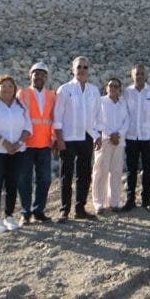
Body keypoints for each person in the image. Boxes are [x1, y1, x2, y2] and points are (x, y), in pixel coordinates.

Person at [0, 74, 32, 233]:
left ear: (15, 89)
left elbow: (28, 128)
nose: (7, 89)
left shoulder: (20, 106)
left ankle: (9, 216)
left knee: (12, 184)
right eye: (4, 86)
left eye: (10, 86)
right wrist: (5, 143)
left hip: (17, 150)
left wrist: (18, 144)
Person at [53, 56, 101, 222]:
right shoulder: (64, 89)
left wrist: (97, 135)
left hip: (86, 137)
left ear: (88, 70)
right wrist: (59, 139)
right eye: (79, 67)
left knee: (84, 174)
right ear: (73, 70)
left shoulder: (94, 90)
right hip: (68, 138)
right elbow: (57, 117)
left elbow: (97, 116)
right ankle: (64, 210)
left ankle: (80, 209)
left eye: (85, 67)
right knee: (66, 175)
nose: (82, 70)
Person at [16, 62, 56, 225]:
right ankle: (25, 213)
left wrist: (54, 139)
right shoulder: (22, 93)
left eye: (42, 74)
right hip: (27, 145)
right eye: (36, 73)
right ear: (30, 75)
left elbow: (54, 118)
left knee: (45, 179)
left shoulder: (52, 95)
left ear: (46, 77)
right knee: (24, 179)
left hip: (45, 144)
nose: (39, 76)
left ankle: (38, 211)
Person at [122, 63, 150, 212]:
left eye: (141, 73)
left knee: (147, 169)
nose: (139, 76)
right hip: (131, 137)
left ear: (145, 76)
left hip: (148, 137)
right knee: (131, 170)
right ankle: (130, 200)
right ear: (132, 76)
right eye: (136, 74)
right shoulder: (126, 92)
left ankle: (146, 200)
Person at [92, 77, 129, 214]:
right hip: (104, 141)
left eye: (116, 86)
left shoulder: (123, 103)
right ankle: (99, 204)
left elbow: (127, 121)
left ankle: (114, 202)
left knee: (116, 172)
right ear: (106, 88)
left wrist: (118, 134)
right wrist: (110, 134)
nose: (113, 88)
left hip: (119, 142)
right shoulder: (100, 102)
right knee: (100, 173)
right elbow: (96, 121)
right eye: (110, 86)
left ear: (120, 89)